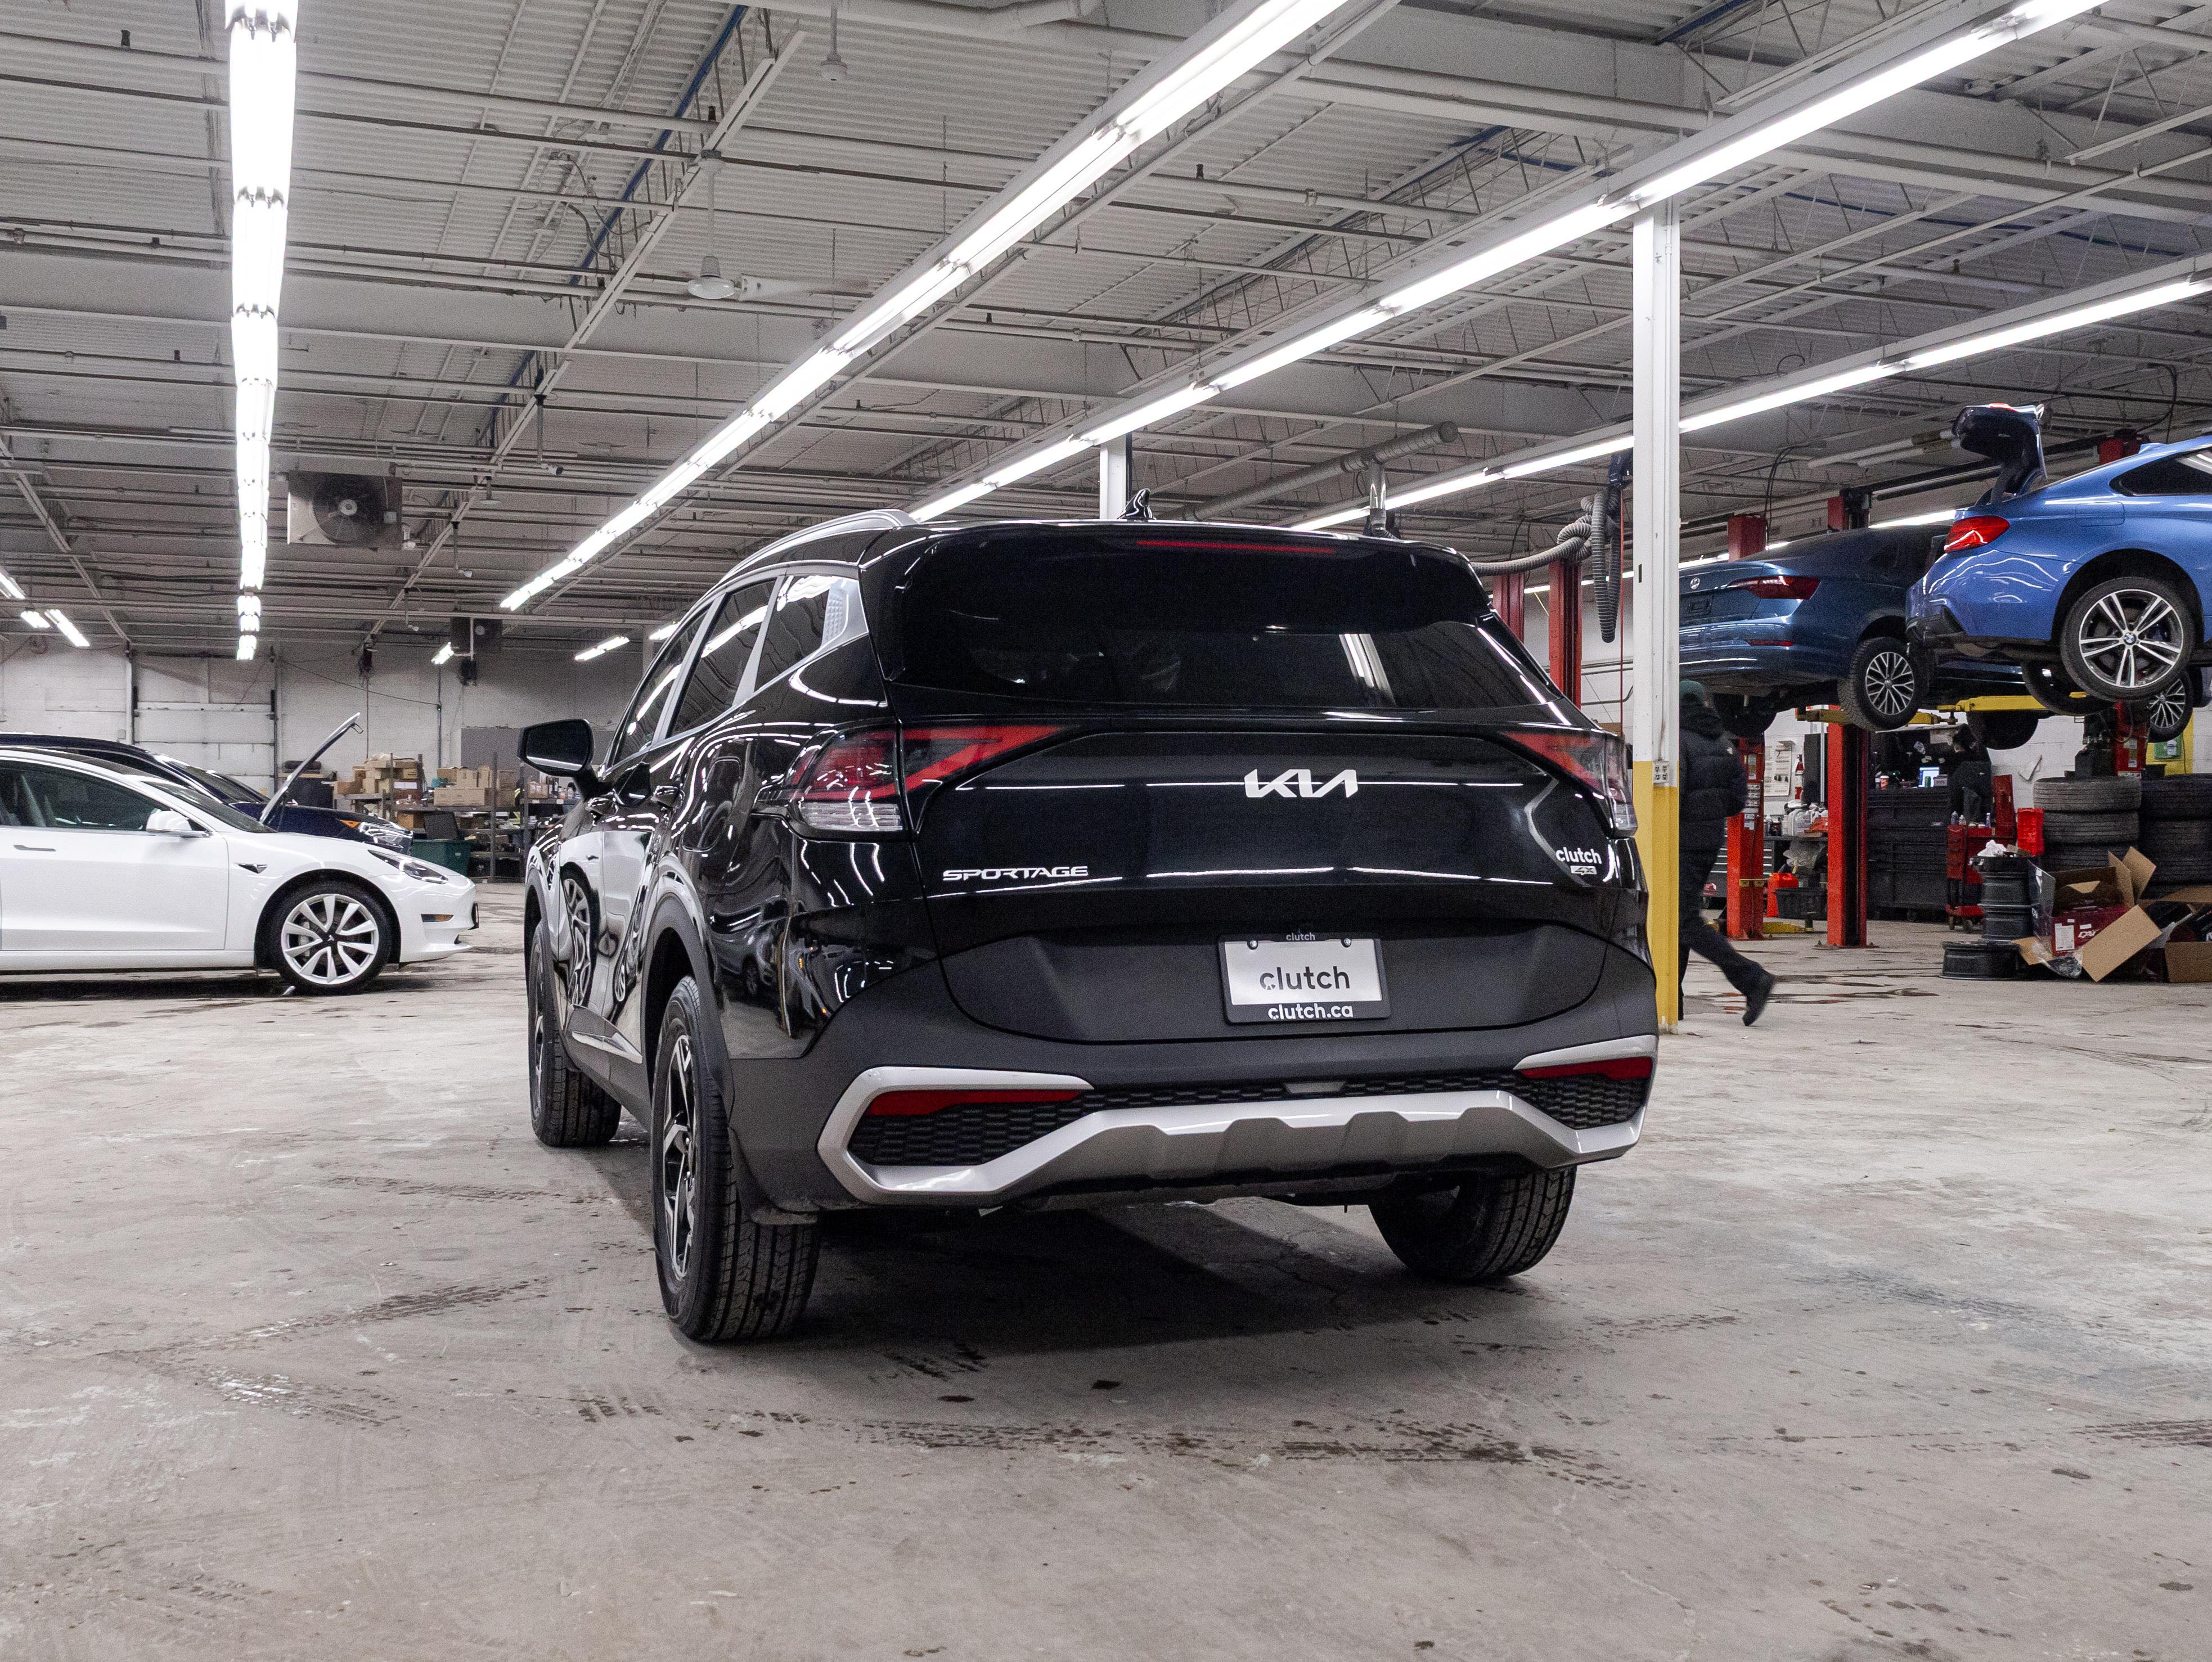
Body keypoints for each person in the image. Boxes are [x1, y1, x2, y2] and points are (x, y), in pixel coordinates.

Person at [1678, 682, 1778, 1025]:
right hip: (1709, 840)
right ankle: (1671, 998)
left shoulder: (1676, 740)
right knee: (1678, 917)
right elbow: (1737, 801)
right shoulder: (1724, 743)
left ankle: (1752, 978)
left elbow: (1672, 796)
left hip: (1679, 841)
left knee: (1682, 919)